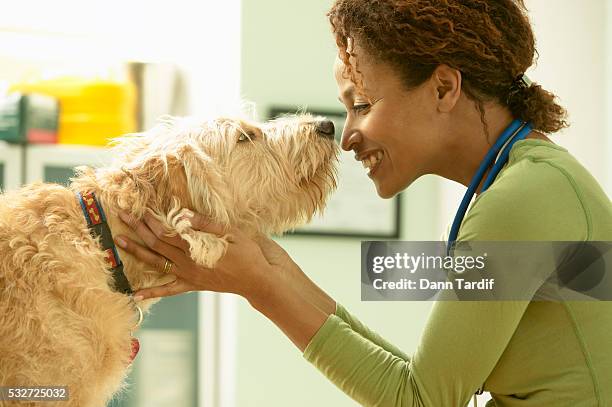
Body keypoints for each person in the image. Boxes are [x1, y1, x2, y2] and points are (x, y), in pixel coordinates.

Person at [114, 0, 612, 406]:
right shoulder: (532, 182)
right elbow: (423, 382)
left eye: (363, 105)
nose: (347, 135)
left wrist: (262, 287)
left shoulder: (520, 200)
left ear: (444, 88)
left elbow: (420, 400)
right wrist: (272, 268)